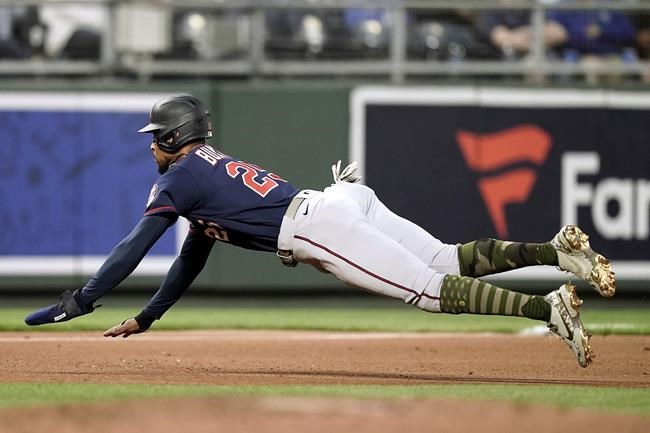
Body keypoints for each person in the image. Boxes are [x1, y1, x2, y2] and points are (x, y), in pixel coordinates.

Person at [25, 95, 616, 368]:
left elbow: (135, 246)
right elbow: (191, 258)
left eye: (157, 136)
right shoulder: (205, 176)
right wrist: (150, 316)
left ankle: (549, 309)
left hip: (314, 228)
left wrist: (83, 299)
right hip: (337, 198)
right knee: (445, 258)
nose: (152, 145)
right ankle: (555, 253)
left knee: (432, 291)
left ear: (177, 139)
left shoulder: (180, 178)